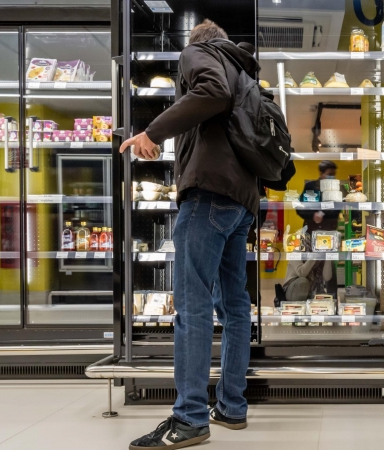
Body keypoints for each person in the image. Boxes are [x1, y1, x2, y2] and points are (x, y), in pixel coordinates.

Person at [120, 20, 259, 449]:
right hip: (242, 203)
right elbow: (216, 109)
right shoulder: (244, 71)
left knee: (193, 307)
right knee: (235, 307)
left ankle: (190, 418)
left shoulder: (199, 53)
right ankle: (232, 407)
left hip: (208, 199)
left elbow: (209, 91)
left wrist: (152, 131)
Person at [297, 160, 340, 232]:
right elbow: (301, 207)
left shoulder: (336, 189)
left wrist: (323, 213)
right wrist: (312, 215)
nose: (332, 177)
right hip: (311, 228)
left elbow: (337, 209)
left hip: (329, 230)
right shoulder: (311, 187)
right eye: (329, 174)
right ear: (321, 174)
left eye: (334, 174)